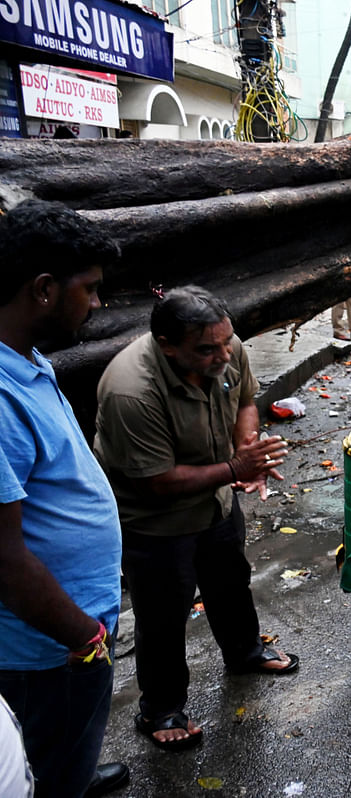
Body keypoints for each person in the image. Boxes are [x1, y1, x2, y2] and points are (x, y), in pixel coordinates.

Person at [93, 286, 298, 753]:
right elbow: (157, 483)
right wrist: (236, 469)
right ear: (167, 345)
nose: (222, 353)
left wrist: (247, 447)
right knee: (163, 614)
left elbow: (246, 398)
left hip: (216, 500)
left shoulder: (226, 348)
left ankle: (245, 652)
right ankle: (161, 708)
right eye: (207, 349)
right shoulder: (131, 391)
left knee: (230, 581)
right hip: (156, 519)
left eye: (226, 342)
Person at [0, 199, 129, 797]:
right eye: (92, 290)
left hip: (71, 632)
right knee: (40, 766)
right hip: (44, 651)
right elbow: (5, 559)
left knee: (69, 744)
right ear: (45, 290)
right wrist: (84, 637)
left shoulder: (28, 361)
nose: (98, 304)